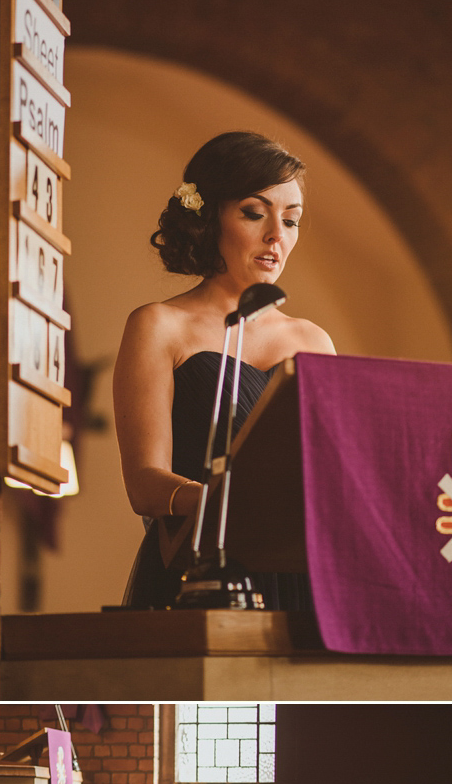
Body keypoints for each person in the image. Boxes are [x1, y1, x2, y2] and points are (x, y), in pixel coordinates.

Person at [113, 132, 336, 612]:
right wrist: (220, 505)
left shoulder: (313, 342)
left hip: (298, 578)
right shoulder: (157, 325)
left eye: (292, 220)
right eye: (255, 213)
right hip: (200, 573)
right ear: (209, 216)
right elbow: (144, 482)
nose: (277, 234)